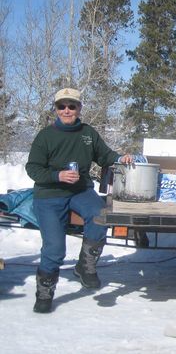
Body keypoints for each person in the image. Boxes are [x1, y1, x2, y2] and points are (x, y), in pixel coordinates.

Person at [25, 87, 133, 314]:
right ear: (55, 109)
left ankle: (85, 266)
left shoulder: (87, 133)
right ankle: (45, 291)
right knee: (55, 248)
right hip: (49, 194)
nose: (66, 110)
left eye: (71, 106)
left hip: (81, 190)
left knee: (100, 216)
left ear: (79, 108)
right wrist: (57, 175)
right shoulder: (45, 136)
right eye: (61, 106)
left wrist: (120, 157)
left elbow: (105, 155)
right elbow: (32, 168)